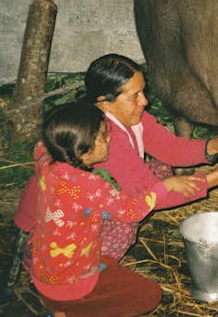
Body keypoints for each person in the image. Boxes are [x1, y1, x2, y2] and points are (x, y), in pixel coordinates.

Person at [12, 53, 218, 259]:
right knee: (126, 223)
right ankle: (94, 264)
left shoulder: (129, 117)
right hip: (48, 234)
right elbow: (152, 197)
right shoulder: (106, 139)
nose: (145, 101)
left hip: (77, 200)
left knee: (161, 169)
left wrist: (214, 146)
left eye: (143, 91)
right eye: (134, 95)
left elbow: (169, 148)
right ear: (105, 103)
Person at [29, 100, 199, 316]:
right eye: (102, 136)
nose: (109, 138)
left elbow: (41, 144)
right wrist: (164, 187)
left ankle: (57, 305)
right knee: (150, 294)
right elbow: (131, 212)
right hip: (71, 285)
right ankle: (72, 310)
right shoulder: (90, 186)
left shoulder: (46, 162)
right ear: (83, 150)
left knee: (107, 261)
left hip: (43, 273)